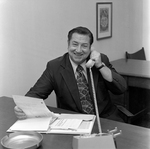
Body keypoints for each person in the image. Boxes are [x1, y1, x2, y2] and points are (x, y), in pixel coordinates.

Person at [14, 26, 127, 122]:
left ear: (90, 48)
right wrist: (23, 108)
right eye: (75, 44)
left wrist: (100, 65)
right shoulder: (55, 67)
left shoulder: (100, 60)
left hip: (105, 119)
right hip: (74, 122)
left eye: (84, 46)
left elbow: (121, 88)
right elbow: (36, 94)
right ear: (68, 44)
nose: (78, 50)